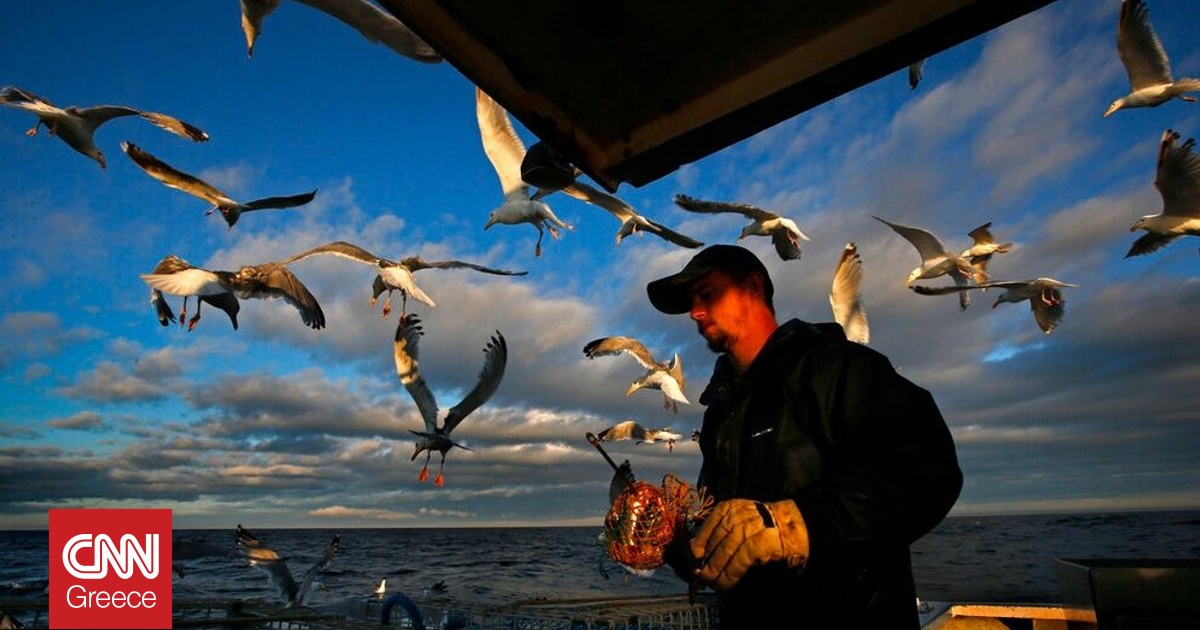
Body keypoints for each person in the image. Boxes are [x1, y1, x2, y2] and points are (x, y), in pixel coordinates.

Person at [647, 244, 962, 629]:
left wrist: (792, 524)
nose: (695, 311)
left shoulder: (834, 368)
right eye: (691, 301)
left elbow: (928, 470)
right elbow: (732, 539)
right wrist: (678, 542)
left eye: (707, 294)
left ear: (752, 287)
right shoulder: (720, 414)